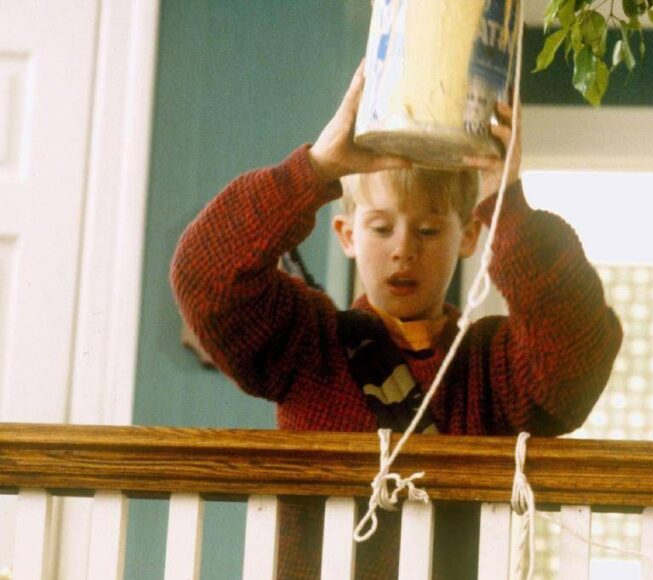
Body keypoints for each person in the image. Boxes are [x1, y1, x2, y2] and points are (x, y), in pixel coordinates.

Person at [171, 63, 623, 579]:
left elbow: (576, 355)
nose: (403, 250)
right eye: (381, 228)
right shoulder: (308, 345)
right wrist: (314, 169)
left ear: (469, 236)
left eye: (428, 231)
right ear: (347, 235)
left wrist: (508, 203)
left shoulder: (491, 368)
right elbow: (204, 277)